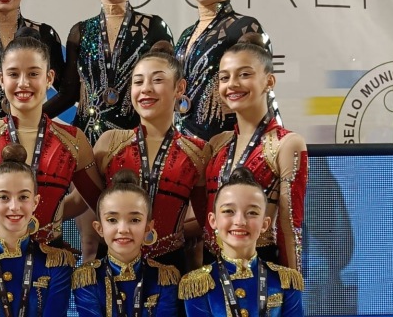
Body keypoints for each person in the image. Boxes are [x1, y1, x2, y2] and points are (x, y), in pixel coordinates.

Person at [0, 27, 102, 257]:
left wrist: (52, 214)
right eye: (13, 74)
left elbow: (99, 202)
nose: (23, 83)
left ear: (49, 78)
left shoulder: (74, 140)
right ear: (1, 79)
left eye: (33, 74)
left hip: (49, 264)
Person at [94, 41, 208, 274]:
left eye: (157, 80)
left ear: (179, 87)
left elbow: (207, 217)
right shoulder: (110, 143)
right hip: (113, 264)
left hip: (171, 266)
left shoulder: (198, 151)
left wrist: (179, 233)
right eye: (138, 82)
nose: (146, 89)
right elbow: (84, 202)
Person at [54, 0, 174, 146]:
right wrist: (26, 121)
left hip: (136, 141)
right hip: (86, 143)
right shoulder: (80, 31)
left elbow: (166, 91)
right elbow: (68, 94)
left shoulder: (154, 27)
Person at [203, 33, 308, 270]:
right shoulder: (217, 144)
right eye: (224, 77)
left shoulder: (286, 144)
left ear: (269, 82)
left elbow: (290, 225)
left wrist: (292, 282)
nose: (232, 84)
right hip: (211, 267)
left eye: (244, 74)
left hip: (260, 266)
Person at [176, 0, 278, 141]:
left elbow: (263, 94)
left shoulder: (245, 27)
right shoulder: (186, 35)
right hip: (183, 144)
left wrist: (269, 145)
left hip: (227, 144)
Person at [0, 144, 75, 316]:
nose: (14, 206)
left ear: (35, 202)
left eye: (23, 197)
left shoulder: (57, 262)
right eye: (4, 197)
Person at [179, 167, 304, 316]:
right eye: (228, 211)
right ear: (213, 220)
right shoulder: (197, 285)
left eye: (252, 213)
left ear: (265, 224)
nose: (240, 221)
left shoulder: (286, 281)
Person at [73, 169, 181, 316]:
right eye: (112, 220)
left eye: (135, 220)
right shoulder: (88, 278)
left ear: (148, 228)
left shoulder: (164, 278)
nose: (123, 229)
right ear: (99, 228)